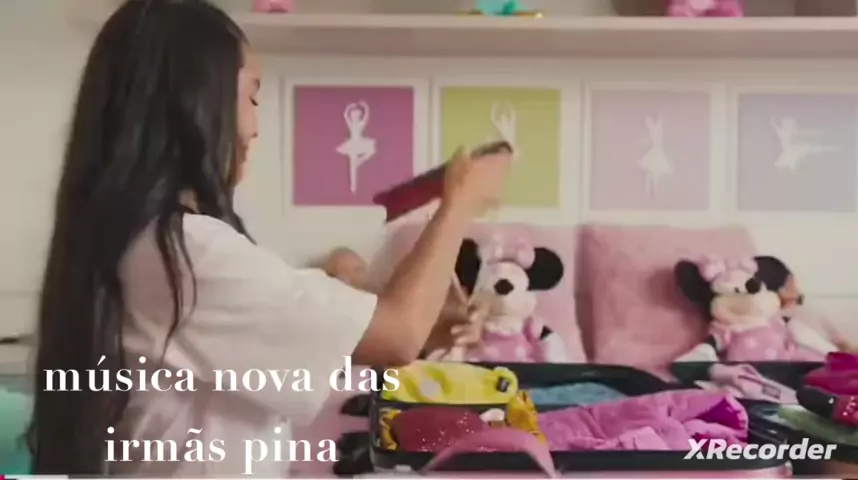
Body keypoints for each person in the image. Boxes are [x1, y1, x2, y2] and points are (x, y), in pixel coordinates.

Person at [29, 0, 511, 476]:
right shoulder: (185, 252)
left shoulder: (141, 244)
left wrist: (413, 325)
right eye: (252, 97)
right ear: (199, 103)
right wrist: (460, 203)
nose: (255, 128)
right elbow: (398, 335)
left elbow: (338, 341)